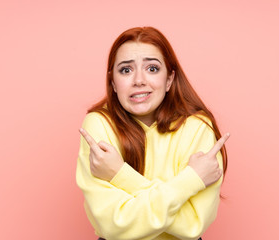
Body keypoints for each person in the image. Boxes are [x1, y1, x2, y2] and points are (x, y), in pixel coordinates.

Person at [76, 26, 229, 240]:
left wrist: (119, 174)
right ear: (113, 82)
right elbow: (113, 225)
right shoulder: (99, 125)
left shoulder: (197, 128)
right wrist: (191, 179)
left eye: (152, 69)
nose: (139, 80)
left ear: (169, 79)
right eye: (126, 70)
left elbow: (193, 226)